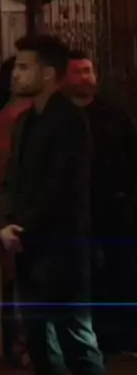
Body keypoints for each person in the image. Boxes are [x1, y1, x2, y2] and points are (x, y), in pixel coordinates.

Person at [0, 35, 110, 375]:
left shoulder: (70, 122)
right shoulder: (27, 121)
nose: (15, 73)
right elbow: (12, 180)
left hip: (63, 253)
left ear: (47, 73)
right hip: (32, 252)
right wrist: (6, 223)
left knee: (79, 348)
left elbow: (61, 188)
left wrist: (21, 226)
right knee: (43, 350)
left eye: (23, 66)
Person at [62, 50, 137, 354]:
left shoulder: (114, 115)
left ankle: (120, 338)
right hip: (72, 212)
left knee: (119, 272)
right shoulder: (57, 118)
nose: (85, 77)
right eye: (78, 72)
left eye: (88, 71)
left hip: (113, 209)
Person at [0, 57, 31, 368]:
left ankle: (21, 344)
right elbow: (0, 177)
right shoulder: (11, 118)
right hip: (15, 206)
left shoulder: (15, 115)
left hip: (15, 204)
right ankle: (22, 344)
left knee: (17, 280)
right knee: (19, 279)